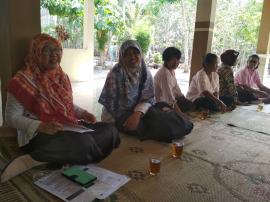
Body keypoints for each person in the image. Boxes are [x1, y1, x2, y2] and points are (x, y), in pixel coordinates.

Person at [2, 34, 120, 182]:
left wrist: (82, 113)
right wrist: (41, 126)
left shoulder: (60, 76)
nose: (54, 55)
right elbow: (11, 118)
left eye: (57, 50)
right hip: (38, 136)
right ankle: (37, 157)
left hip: (67, 127)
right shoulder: (21, 80)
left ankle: (54, 158)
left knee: (110, 131)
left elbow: (66, 106)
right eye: (47, 51)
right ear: (36, 52)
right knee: (84, 143)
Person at [99, 40, 193, 142]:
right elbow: (111, 105)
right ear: (122, 56)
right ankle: (169, 130)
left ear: (140, 54)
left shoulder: (144, 72)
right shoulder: (115, 74)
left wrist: (137, 114)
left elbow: (148, 98)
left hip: (141, 110)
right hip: (119, 115)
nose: (132, 57)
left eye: (136, 53)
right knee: (147, 126)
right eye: (128, 54)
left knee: (159, 117)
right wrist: (114, 124)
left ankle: (179, 125)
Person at [154, 47, 193, 113]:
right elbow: (169, 98)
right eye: (173, 60)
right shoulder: (164, 73)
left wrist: (185, 101)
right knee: (179, 118)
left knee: (189, 104)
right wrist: (181, 114)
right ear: (166, 60)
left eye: (177, 60)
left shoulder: (171, 71)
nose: (176, 63)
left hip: (170, 100)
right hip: (161, 104)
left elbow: (177, 89)